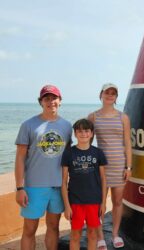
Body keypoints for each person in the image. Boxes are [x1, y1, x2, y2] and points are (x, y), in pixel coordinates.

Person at [15, 84, 72, 250]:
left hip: (58, 186)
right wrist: (19, 187)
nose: (51, 101)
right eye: (46, 98)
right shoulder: (28, 125)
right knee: (30, 229)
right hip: (34, 187)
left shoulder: (67, 126)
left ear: (60, 101)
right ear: (41, 102)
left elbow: (68, 158)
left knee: (54, 227)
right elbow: (19, 157)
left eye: (54, 98)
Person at [88, 83, 132, 249]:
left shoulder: (123, 117)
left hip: (119, 166)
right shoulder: (93, 117)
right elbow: (87, 143)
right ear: (101, 94)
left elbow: (128, 143)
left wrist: (129, 167)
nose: (110, 95)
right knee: (99, 203)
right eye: (107, 92)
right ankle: (100, 236)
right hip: (100, 167)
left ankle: (114, 234)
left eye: (113, 93)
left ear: (116, 97)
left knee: (118, 201)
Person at [61, 118, 107, 250]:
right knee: (75, 235)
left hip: (94, 201)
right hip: (75, 202)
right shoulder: (69, 153)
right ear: (75, 134)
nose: (83, 134)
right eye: (79, 131)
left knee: (92, 234)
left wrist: (103, 202)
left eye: (86, 131)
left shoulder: (98, 153)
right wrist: (67, 206)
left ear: (92, 133)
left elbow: (104, 179)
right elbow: (64, 182)